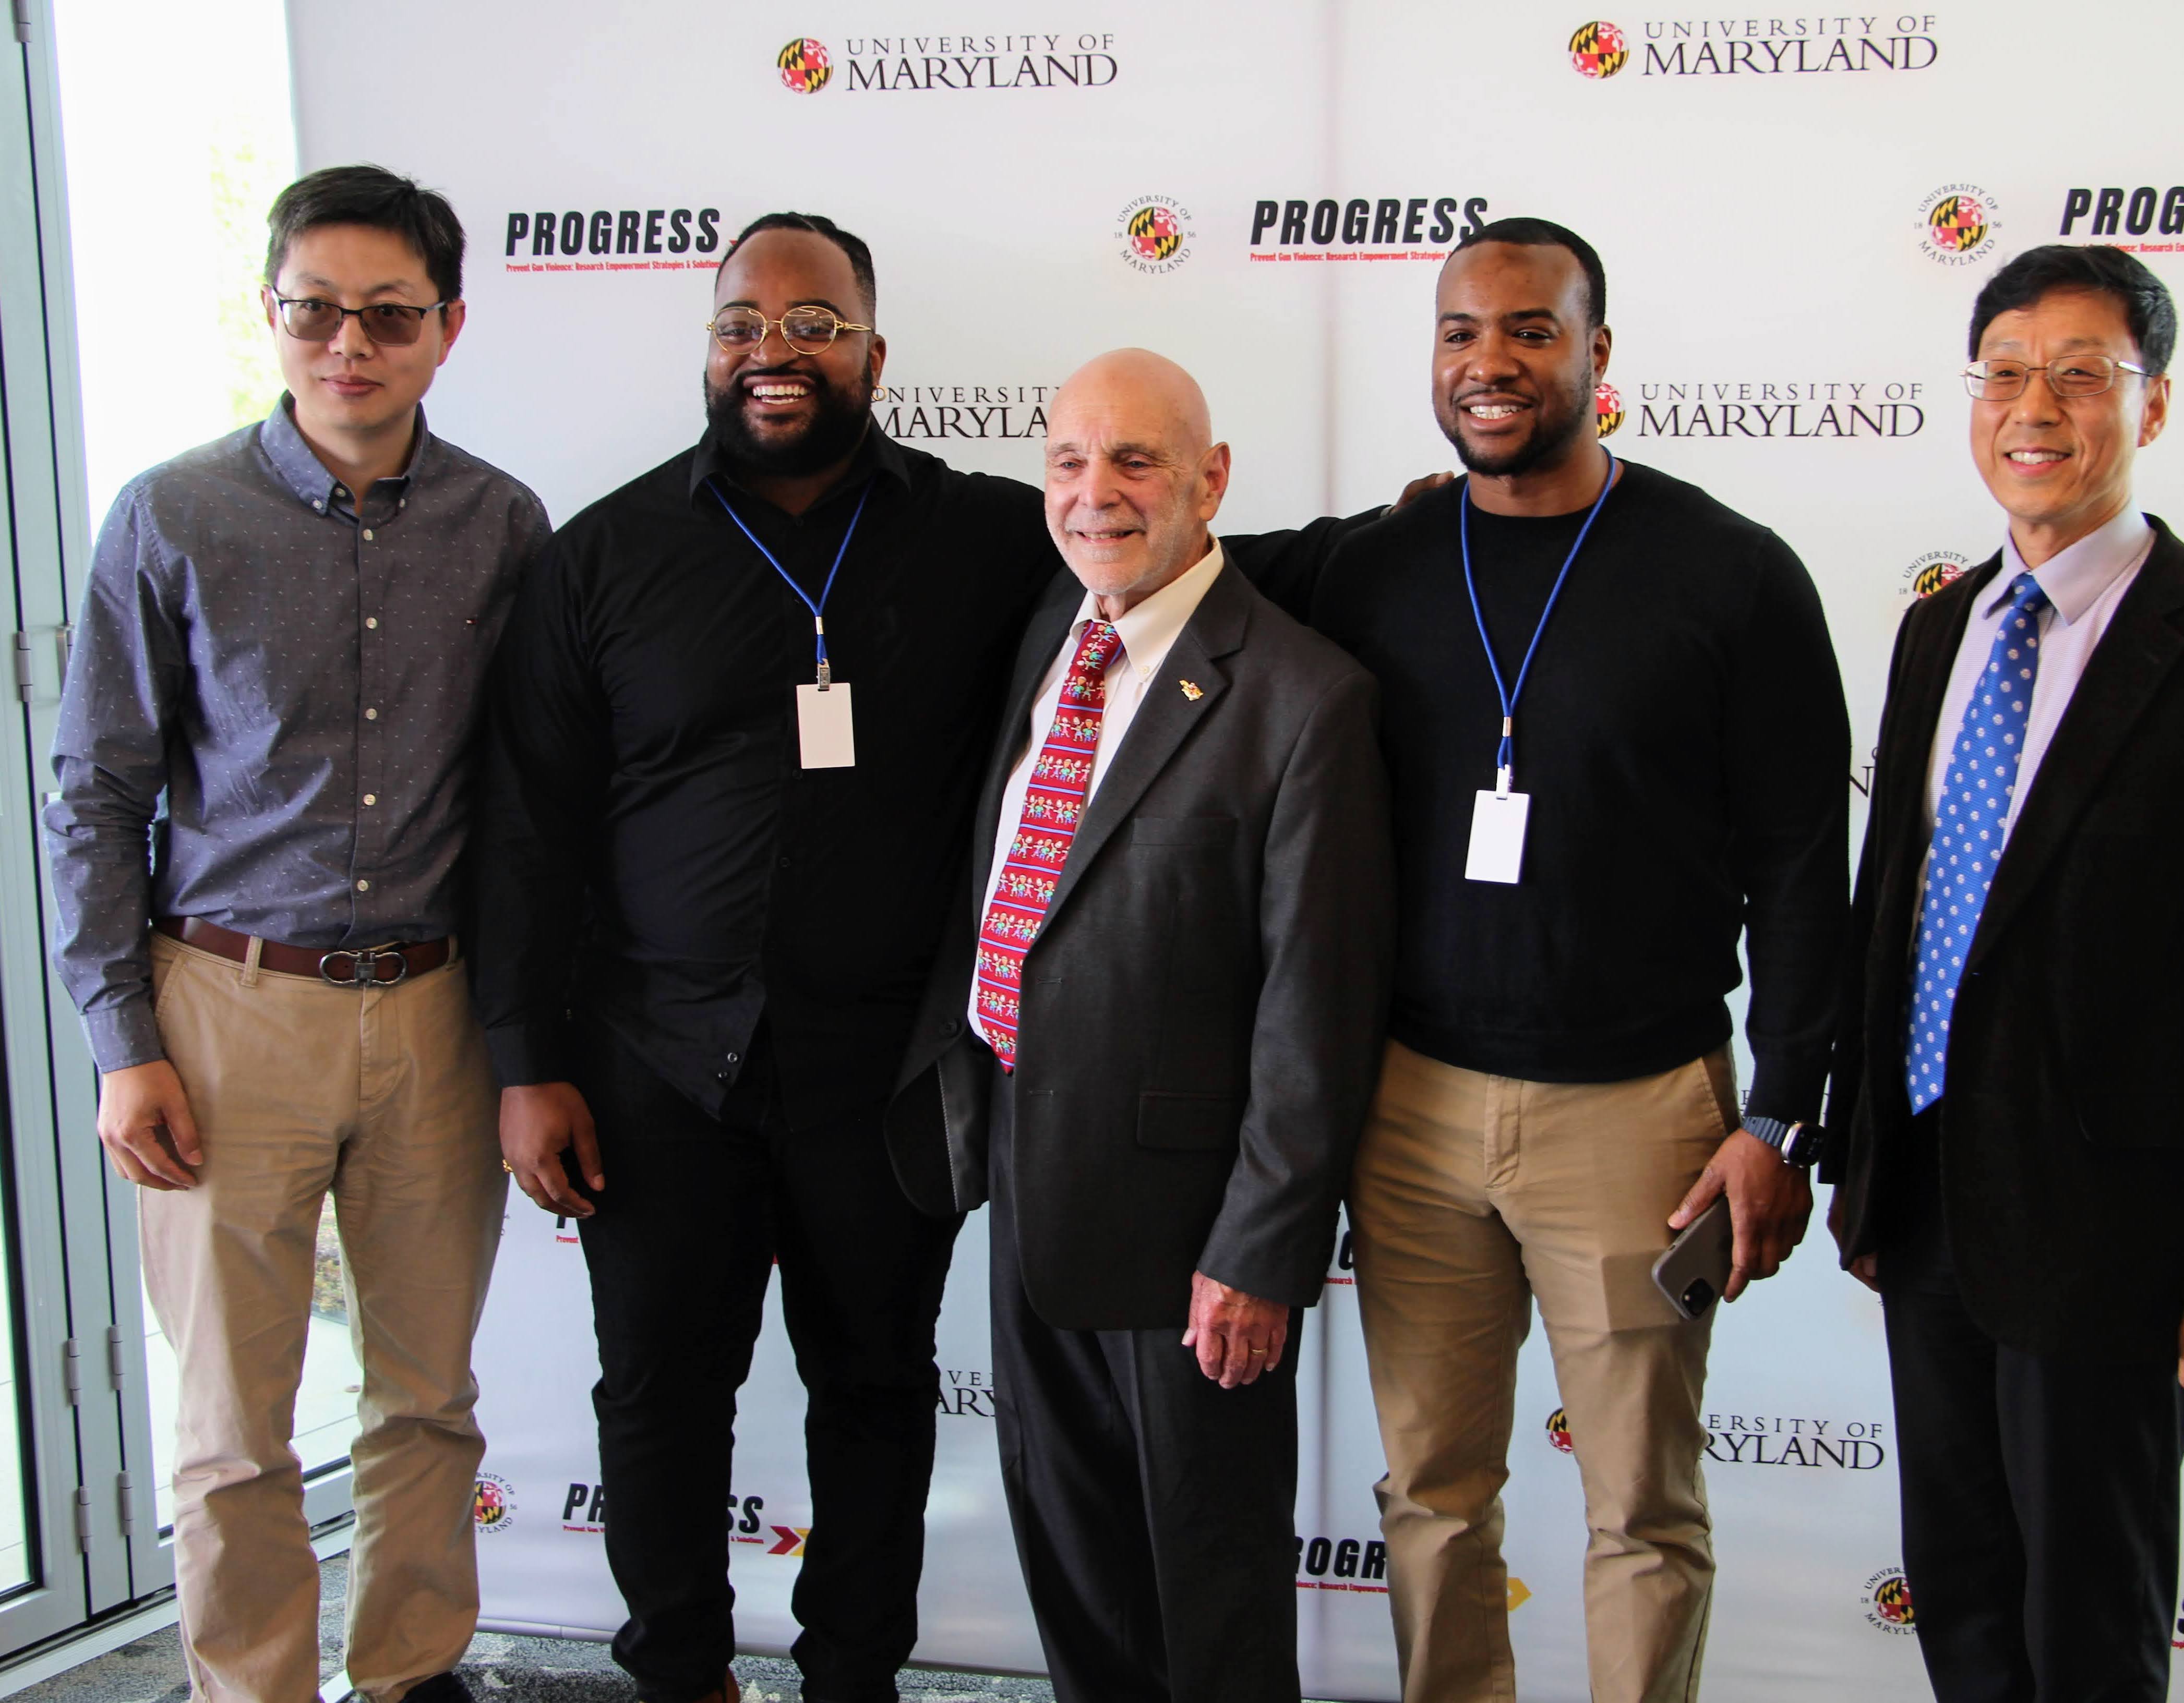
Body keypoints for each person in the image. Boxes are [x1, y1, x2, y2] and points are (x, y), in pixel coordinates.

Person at [474, 217, 1388, 1703]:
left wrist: (1419, 536)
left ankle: (852, 1676)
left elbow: (1168, 569)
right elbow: (526, 831)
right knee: (655, 1399)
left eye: (815, 323)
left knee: (878, 1393)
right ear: (709, 344)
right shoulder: (601, 557)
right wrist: (527, 1063)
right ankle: (681, 1676)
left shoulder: (978, 537)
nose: (774, 348)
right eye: (743, 322)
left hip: (882, 1077)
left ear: (872, 355)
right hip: (654, 1067)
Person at [1261, 217, 1850, 1703]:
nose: (1490, 361)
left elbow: (1798, 863)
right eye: (1460, 331)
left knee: (1640, 1511)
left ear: (1598, 353)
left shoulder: (1732, 574)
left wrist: (1778, 1114)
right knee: (1430, 1491)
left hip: (1640, 1113)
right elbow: (1156, 567)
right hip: (1409, 1108)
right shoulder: (1373, 565)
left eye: (1529, 329)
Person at [1823, 243, 2184, 1702]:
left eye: (2079, 374)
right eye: (2003, 371)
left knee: (2088, 1630)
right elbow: (1897, 913)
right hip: (1928, 1209)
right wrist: (1866, 1171)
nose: (2031, 406)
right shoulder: (1942, 628)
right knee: (1965, 1611)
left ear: (2152, 405)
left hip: (2111, 1245)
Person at [44, 166, 548, 1703]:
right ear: (271, 314)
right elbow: (94, 792)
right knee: (231, 1420)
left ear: (446, 328)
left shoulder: (502, 522)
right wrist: (121, 1041)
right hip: (225, 1005)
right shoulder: (172, 513)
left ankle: (407, 1668)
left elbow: (534, 800)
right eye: (315, 310)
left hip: (436, 1010)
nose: (350, 344)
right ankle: (250, 1684)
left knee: (429, 1394)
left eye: (388, 315)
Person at [885, 349, 1392, 1703]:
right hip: (1025, 1172)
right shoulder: (1052, 625)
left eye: (1135, 462)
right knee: (1078, 1573)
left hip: (1191, 1237)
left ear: (1209, 479)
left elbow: (1316, 1008)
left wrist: (1260, 1249)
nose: (1094, 493)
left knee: (1208, 1597)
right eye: (1068, 460)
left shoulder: (1300, 697)